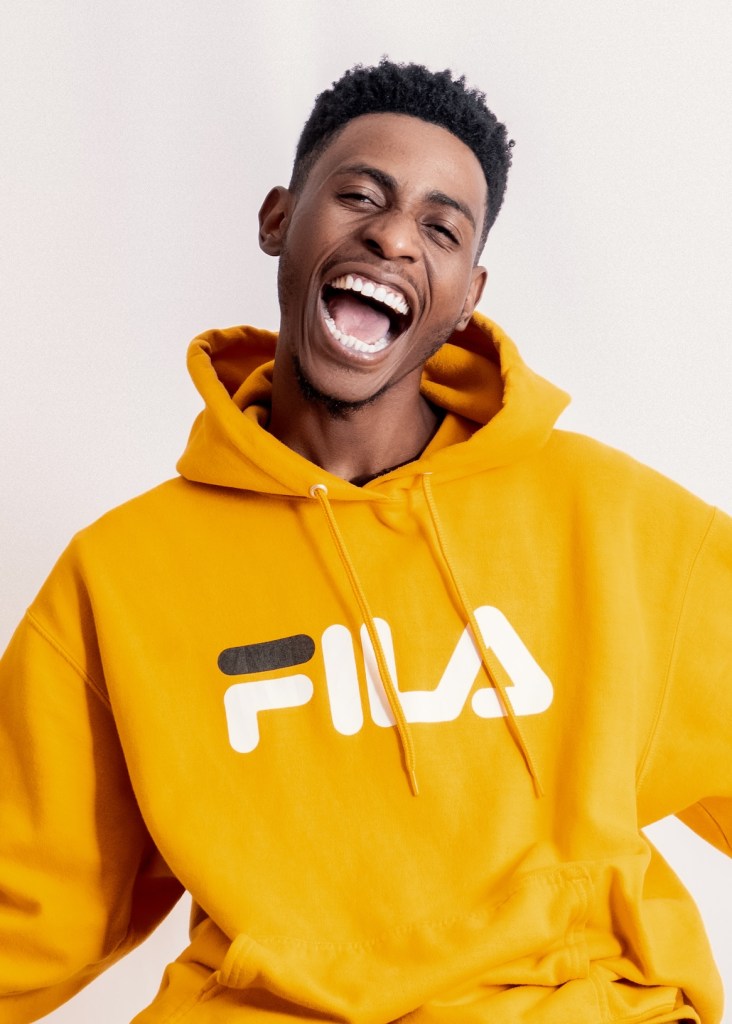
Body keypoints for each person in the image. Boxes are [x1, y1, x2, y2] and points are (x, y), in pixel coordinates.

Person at [0, 58, 729, 1024]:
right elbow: (28, 904)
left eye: (441, 227)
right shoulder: (121, 575)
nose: (393, 236)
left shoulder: (608, 517)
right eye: (360, 196)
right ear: (279, 219)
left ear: (468, 292)